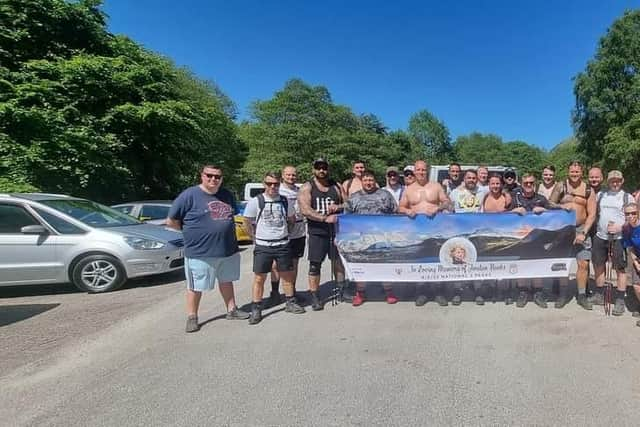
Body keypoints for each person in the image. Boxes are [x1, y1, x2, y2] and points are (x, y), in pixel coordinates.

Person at [167, 164, 250, 333]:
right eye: (209, 175)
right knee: (195, 286)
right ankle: (192, 317)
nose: (213, 179)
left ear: (221, 178)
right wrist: (192, 233)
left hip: (227, 250)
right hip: (199, 253)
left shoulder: (226, 195)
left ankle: (232, 310)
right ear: (202, 176)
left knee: (227, 281)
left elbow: (231, 215)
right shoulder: (189, 195)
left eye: (217, 176)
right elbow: (172, 221)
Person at [243, 172, 306, 324]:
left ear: (279, 184)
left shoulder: (285, 201)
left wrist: (286, 233)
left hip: (282, 244)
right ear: (264, 184)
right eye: (269, 183)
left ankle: (290, 301)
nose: (273, 187)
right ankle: (256, 308)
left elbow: (291, 219)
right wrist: (253, 238)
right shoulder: (256, 201)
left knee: (287, 275)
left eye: (276, 184)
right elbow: (246, 221)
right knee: (259, 277)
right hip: (263, 245)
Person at [398, 160, 452, 306]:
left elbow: (447, 202)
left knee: (437, 259)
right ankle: (422, 292)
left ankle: (438, 292)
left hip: (436, 229)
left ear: (427, 170)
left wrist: (438, 208)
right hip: (417, 231)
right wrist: (407, 210)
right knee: (420, 260)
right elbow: (400, 207)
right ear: (414, 171)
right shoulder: (408, 189)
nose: (421, 172)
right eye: (418, 170)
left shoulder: (436, 186)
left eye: (423, 170)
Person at [344, 170, 399, 306]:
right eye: (366, 180)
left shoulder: (385, 195)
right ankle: (360, 293)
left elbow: (395, 213)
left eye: (371, 180)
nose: (368, 183)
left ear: (375, 181)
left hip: (382, 237)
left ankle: (389, 292)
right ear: (361, 181)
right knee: (361, 266)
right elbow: (346, 218)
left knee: (385, 265)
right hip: (361, 239)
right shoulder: (354, 197)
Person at [298, 158, 346, 310]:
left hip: (336, 231)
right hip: (317, 232)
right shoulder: (307, 187)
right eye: (318, 168)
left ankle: (341, 289)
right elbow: (305, 209)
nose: (321, 170)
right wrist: (324, 218)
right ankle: (315, 295)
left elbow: (348, 203)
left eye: (324, 167)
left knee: (338, 262)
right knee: (315, 265)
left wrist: (338, 207)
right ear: (313, 169)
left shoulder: (336, 185)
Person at [549, 161, 597, 310]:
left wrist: (584, 232)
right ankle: (562, 295)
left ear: (581, 172)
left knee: (583, 263)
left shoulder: (588, 190)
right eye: (572, 171)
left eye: (577, 172)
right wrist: (561, 206)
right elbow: (549, 204)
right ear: (568, 172)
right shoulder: (560, 186)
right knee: (563, 263)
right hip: (564, 229)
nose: (574, 174)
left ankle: (581, 295)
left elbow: (592, 214)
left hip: (581, 229)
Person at [589, 170, 631, 316]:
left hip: (619, 238)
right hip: (601, 236)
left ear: (622, 181)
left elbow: (632, 218)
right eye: (612, 180)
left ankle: (620, 299)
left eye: (618, 180)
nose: (615, 183)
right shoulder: (601, 195)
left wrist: (621, 227)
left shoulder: (627, 197)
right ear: (607, 181)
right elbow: (593, 212)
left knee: (620, 268)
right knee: (598, 265)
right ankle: (599, 294)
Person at [509, 173, 551, 308]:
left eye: (531, 183)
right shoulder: (514, 198)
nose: (528, 185)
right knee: (522, 264)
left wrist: (544, 210)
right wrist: (513, 211)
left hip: (538, 239)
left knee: (537, 264)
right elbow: (503, 216)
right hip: (519, 239)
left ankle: (538, 292)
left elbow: (553, 216)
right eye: (526, 183)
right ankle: (523, 292)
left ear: (535, 184)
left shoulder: (542, 198)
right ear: (521, 184)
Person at [449, 169, 488, 305]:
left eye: (473, 178)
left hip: (477, 233)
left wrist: (506, 194)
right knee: (458, 263)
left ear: (477, 179)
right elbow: (448, 208)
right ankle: (457, 291)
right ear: (464, 179)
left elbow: (500, 188)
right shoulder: (454, 193)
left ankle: (478, 292)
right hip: (459, 233)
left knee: (476, 262)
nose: (471, 180)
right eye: (469, 178)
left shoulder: (483, 190)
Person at [269, 165, 306, 306]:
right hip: (281, 232)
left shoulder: (300, 190)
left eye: (293, 175)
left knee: (294, 264)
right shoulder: (277, 190)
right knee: (275, 265)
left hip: (299, 230)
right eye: (288, 175)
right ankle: (275, 293)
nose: (291, 177)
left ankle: (292, 292)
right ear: (283, 175)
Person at [481, 174, 513, 304]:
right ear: (489, 184)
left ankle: (507, 292)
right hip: (488, 234)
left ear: (501, 184)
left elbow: (513, 214)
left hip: (504, 235)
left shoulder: (506, 198)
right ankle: (494, 290)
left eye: (497, 183)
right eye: (493, 183)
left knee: (506, 263)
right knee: (492, 263)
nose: (495, 186)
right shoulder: (484, 197)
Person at [622, 202, 640, 325]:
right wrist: (636, 263)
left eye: (633, 213)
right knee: (636, 285)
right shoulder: (627, 229)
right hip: (637, 256)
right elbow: (630, 247)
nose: (630, 216)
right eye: (627, 213)